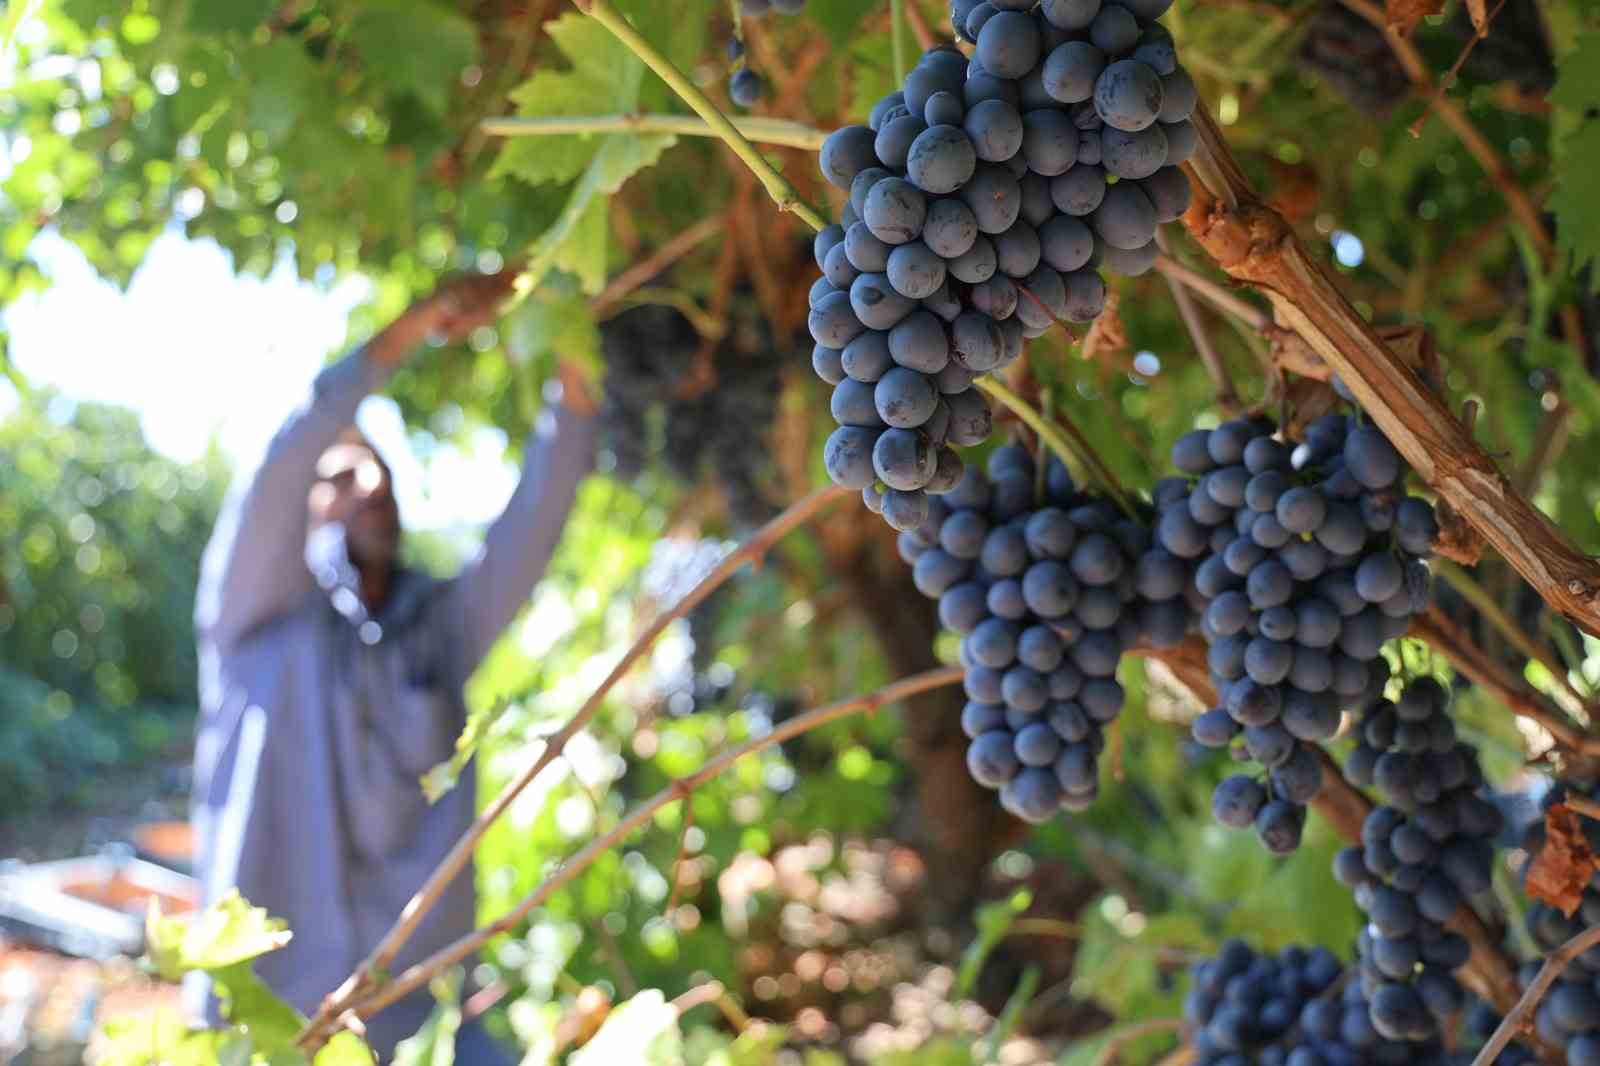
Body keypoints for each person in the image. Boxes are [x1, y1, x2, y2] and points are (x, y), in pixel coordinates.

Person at [185, 273, 597, 1063]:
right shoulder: (255, 620)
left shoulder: (441, 629)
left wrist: (569, 336)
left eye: (382, 476)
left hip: (414, 1020)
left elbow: (538, 516)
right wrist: (409, 329)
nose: (370, 486)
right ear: (300, 508)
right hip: (266, 1024)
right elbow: (293, 446)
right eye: (339, 477)